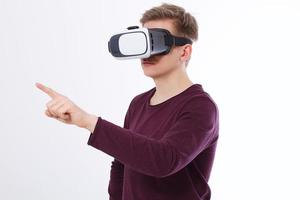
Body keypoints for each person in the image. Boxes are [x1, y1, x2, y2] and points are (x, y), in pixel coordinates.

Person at [36, 3, 219, 200]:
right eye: (144, 42)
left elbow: (165, 160)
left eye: (157, 41)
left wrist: (89, 121)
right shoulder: (138, 103)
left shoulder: (200, 107)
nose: (147, 53)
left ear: (184, 52)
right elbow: (121, 164)